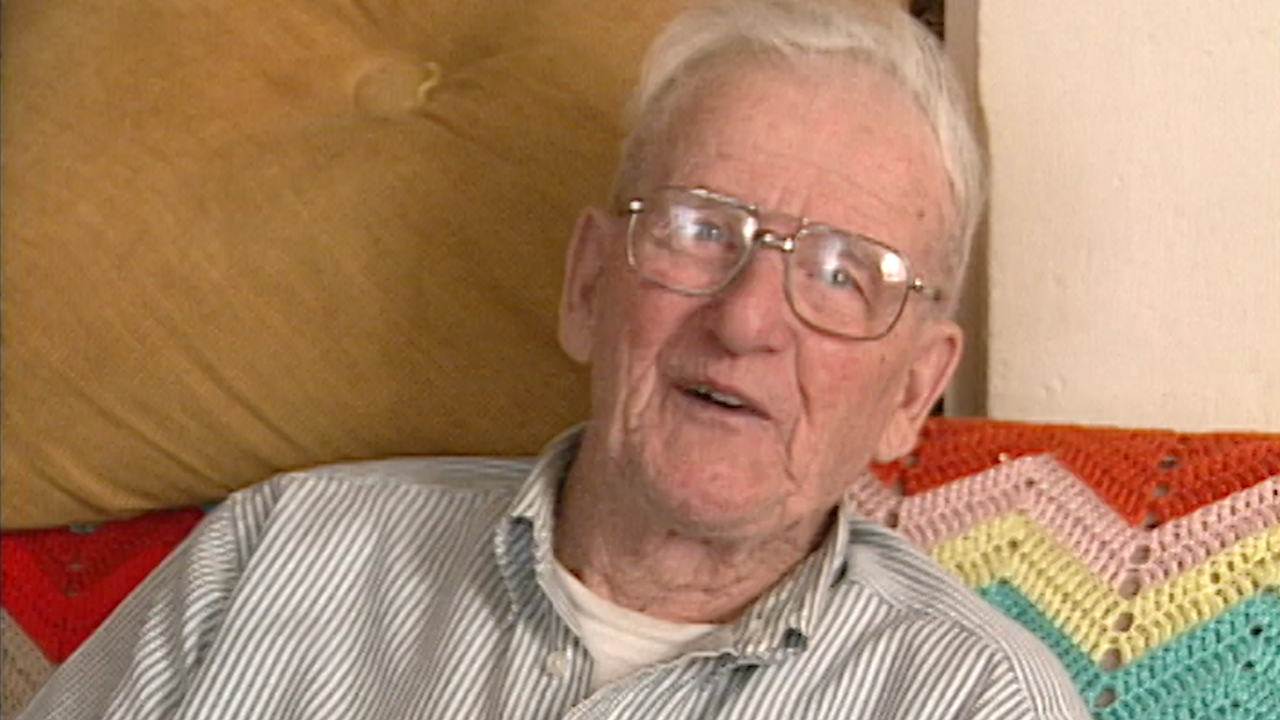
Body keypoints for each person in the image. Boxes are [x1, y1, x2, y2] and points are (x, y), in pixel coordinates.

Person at [21, 0, 1090, 717]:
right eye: (700, 230)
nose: (746, 319)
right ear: (587, 283)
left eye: (840, 275)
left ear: (913, 390)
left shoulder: (975, 700)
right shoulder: (273, 552)